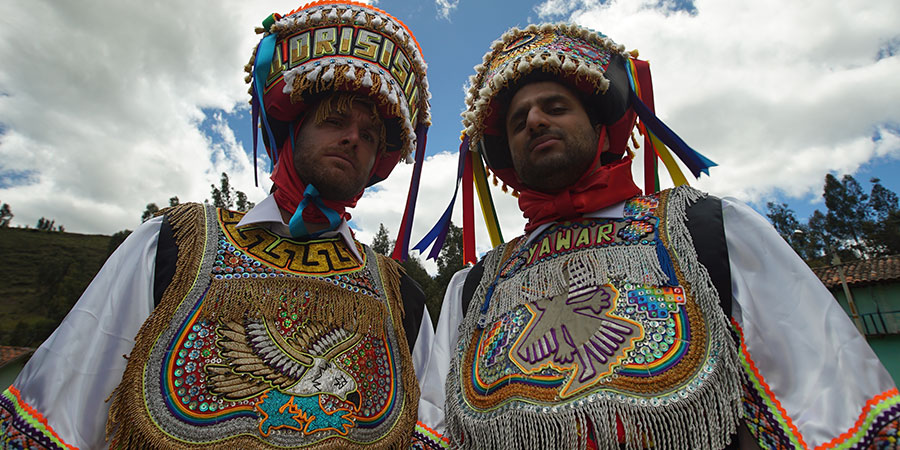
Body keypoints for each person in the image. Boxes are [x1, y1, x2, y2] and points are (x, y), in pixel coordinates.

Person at [414, 23, 900, 449]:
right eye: (518, 122)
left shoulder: (708, 229)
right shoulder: (475, 289)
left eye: (555, 107)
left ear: (601, 126)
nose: (535, 121)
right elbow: (438, 430)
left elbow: (822, 401)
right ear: (509, 155)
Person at [0, 2, 435, 448]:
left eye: (369, 135)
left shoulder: (401, 298)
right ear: (294, 132)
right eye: (335, 120)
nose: (352, 139)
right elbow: (66, 408)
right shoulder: (172, 243)